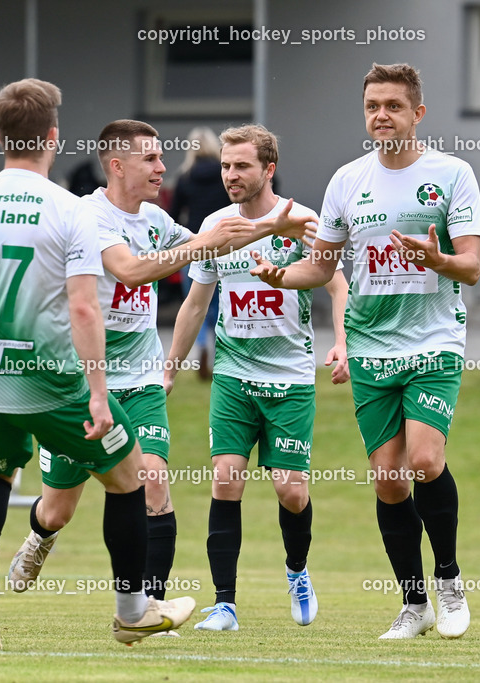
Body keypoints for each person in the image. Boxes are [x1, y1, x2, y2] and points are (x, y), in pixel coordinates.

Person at [0, 79, 196, 648]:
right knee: (129, 478)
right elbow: (85, 307)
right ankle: (133, 610)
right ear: (52, 138)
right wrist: (96, 393)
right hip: (55, 381)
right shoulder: (69, 209)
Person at [6, 120, 315, 617]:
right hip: (83, 381)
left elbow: (212, 248)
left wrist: (271, 228)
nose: (162, 167)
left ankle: (149, 605)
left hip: (142, 378)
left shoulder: (156, 217)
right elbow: (131, 268)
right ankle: (40, 537)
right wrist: (211, 243)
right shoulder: (88, 216)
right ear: (117, 165)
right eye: (150, 158)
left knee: (153, 480)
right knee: (58, 508)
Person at [250, 63, 480, 639]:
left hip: (433, 340)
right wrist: (279, 275)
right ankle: (413, 605)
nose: (382, 115)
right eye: (373, 106)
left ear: (417, 113)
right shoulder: (346, 182)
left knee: (426, 462)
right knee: (388, 481)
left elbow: (472, 268)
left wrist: (437, 260)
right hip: (372, 346)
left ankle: (449, 584)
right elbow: (322, 266)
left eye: (394, 106)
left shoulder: (453, 175)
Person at [164, 124, 349, 631]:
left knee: (290, 490)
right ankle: (224, 603)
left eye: (241, 165)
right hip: (232, 377)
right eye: (225, 165)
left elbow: (336, 283)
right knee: (225, 480)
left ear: (268, 169)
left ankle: (297, 571)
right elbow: (195, 303)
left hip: (288, 378)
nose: (230, 175)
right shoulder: (216, 226)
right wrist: (170, 369)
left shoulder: (300, 220)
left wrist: (342, 342)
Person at [170, 127, 231, 379]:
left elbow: (173, 214)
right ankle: (219, 352)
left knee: (195, 303)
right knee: (222, 305)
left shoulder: (185, 178)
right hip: (227, 244)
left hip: (197, 244)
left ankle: (201, 348)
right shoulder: (225, 175)